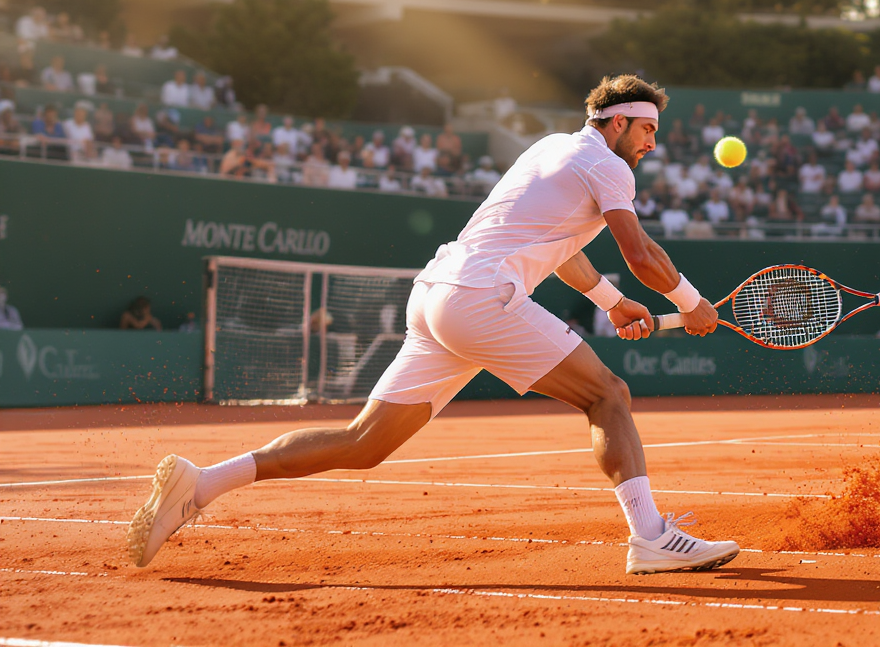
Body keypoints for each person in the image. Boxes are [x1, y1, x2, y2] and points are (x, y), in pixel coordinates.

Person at [127, 75, 740, 575]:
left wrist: (609, 301)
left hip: (437, 296)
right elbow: (642, 255)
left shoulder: (552, 149)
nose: (651, 144)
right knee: (609, 395)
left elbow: (560, 250)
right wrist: (692, 302)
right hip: (479, 298)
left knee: (363, 443)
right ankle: (651, 536)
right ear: (616, 121)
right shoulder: (608, 167)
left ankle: (201, 483)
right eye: (647, 129)